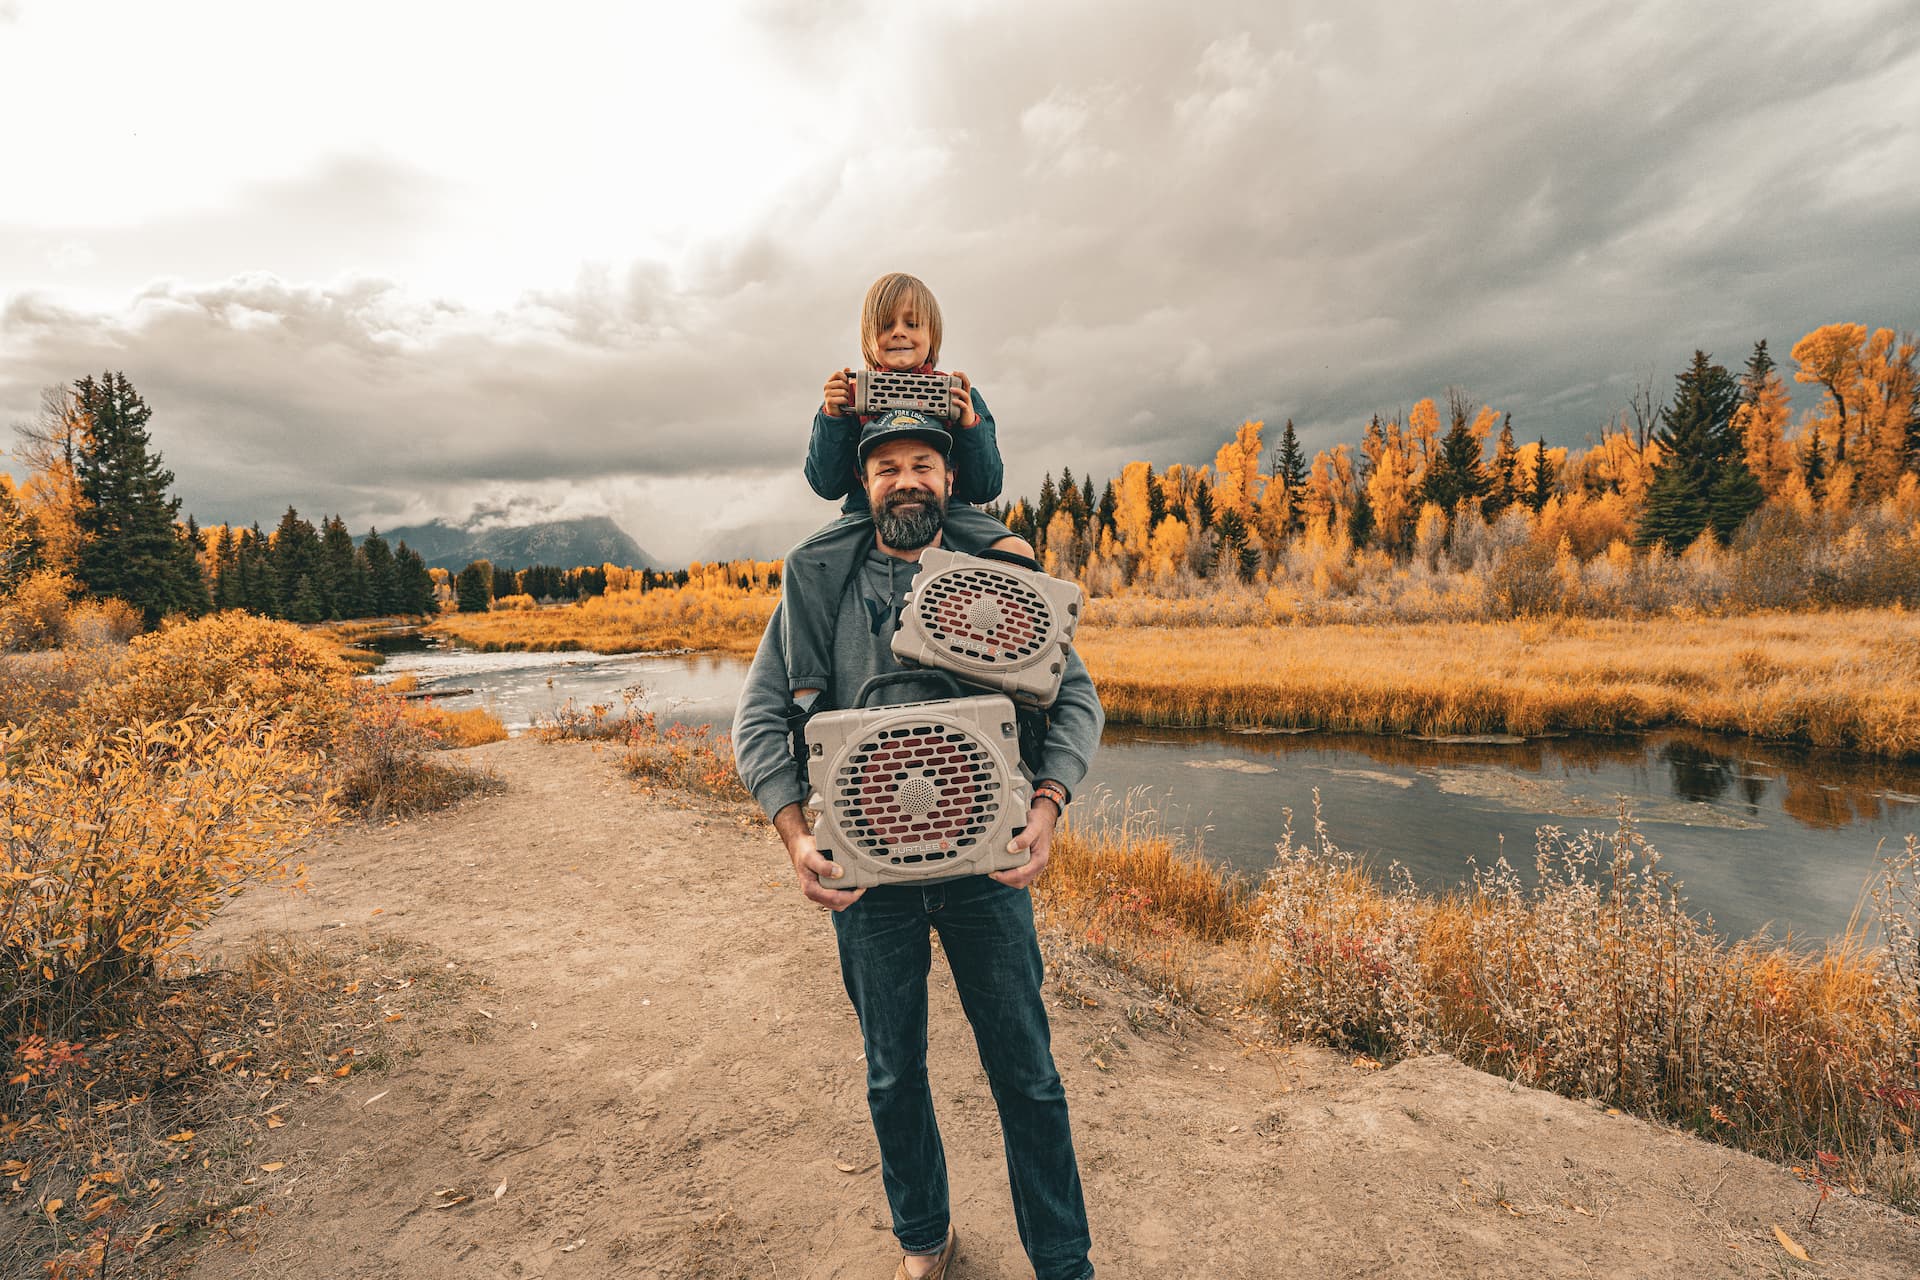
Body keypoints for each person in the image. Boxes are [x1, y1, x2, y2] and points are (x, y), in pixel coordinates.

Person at [734, 411, 1101, 1280]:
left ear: (950, 480)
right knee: (893, 1074)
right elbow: (755, 721)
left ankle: (1062, 1260)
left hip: (989, 869)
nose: (907, 479)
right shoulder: (820, 587)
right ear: (864, 486)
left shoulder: (997, 583)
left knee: (1029, 1074)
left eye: (925, 464)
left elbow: (1076, 700)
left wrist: (1047, 805)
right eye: (888, 466)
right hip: (869, 878)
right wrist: (795, 837)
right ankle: (923, 1241)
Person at [782, 271, 1028, 705]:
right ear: (868, 337)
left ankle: (1015, 664)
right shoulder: (851, 393)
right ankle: (806, 693)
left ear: (932, 335)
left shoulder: (958, 392)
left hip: (950, 509)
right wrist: (833, 417)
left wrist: (968, 423)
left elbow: (987, 484)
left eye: (912, 324)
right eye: (886, 325)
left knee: (1018, 553)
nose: (899, 333)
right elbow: (825, 482)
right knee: (803, 561)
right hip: (867, 513)